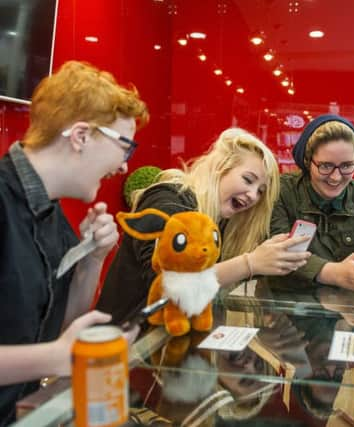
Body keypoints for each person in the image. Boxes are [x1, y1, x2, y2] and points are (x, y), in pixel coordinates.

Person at [0, 61, 148, 424]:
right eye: (124, 147)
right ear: (81, 135)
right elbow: (58, 351)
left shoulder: (54, 218)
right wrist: (57, 357)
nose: (124, 167)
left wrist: (92, 259)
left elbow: (63, 325)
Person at [97, 128, 311, 324]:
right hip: (124, 345)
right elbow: (166, 286)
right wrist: (250, 263)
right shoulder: (168, 198)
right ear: (220, 168)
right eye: (248, 180)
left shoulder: (221, 224)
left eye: (261, 191)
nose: (253, 195)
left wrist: (272, 259)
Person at [270, 115, 354, 291]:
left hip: (345, 309)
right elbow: (277, 253)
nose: (336, 177)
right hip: (282, 308)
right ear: (307, 161)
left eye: (347, 165)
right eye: (325, 166)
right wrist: (335, 273)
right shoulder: (281, 191)